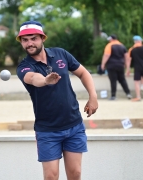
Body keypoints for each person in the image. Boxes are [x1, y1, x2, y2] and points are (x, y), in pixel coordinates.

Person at [16, 21, 98, 180]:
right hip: (47, 130)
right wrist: (46, 81)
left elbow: (83, 73)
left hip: (73, 124)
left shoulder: (61, 54)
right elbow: (33, 78)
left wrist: (93, 97)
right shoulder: (23, 67)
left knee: (75, 174)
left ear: (42, 38)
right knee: (51, 177)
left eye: (33, 38)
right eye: (25, 40)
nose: (29, 43)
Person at [101, 34, 132, 100]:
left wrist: (103, 64)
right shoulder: (122, 46)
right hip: (121, 65)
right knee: (122, 80)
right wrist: (127, 67)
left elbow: (107, 55)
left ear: (112, 39)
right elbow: (126, 56)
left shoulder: (109, 45)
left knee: (113, 80)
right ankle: (128, 93)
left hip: (111, 65)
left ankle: (113, 95)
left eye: (109, 39)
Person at [126, 35, 143, 101]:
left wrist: (128, 69)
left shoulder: (132, 49)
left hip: (137, 67)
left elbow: (129, 60)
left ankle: (138, 96)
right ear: (139, 41)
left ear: (134, 41)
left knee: (137, 82)